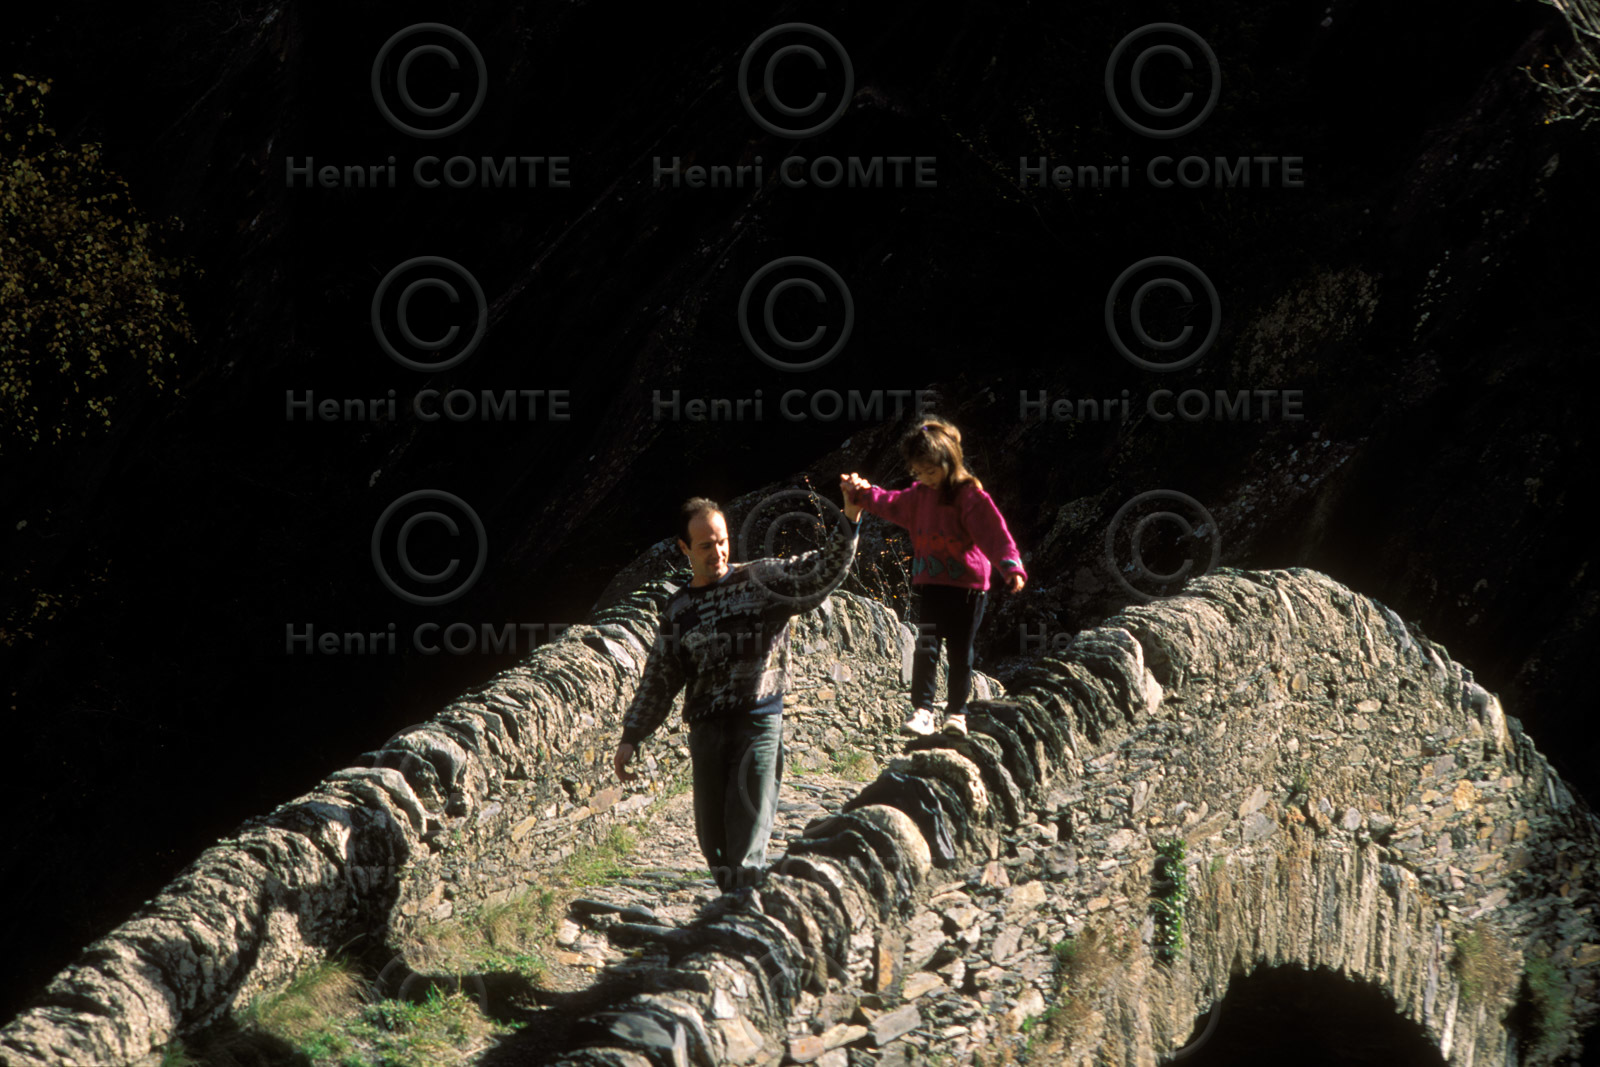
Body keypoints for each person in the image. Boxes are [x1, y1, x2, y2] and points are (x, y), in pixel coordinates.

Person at [612, 481, 862, 893]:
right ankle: (733, 911)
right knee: (715, 845)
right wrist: (632, 735)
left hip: (758, 724)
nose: (718, 552)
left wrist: (850, 517)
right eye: (706, 545)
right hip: (707, 733)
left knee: (745, 846)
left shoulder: (762, 580)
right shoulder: (679, 611)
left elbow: (821, 571)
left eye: (722, 541)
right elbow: (660, 677)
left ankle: (741, 926)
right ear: (684, 549)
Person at [843, 416, 1026, 738]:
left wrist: (1010, 567)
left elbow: (995, 535)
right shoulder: (917, 497)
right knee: (926, 647)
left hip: (968, 590)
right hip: (930, 586)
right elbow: (889, 503)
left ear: (949, 462)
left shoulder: (970, 498)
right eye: (918, 472)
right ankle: (923, 711)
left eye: (930, 471)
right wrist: (861, 493)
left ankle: (957, 714)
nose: (925, 478)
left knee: (960, 652)